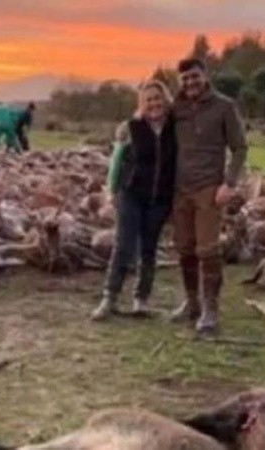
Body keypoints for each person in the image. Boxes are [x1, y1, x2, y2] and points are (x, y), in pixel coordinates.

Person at [169, 58, 248, 335]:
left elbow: (240, 148)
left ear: (205, 76)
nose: (190, 83)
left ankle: (210, 308)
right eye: (185, 79)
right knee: (185, 248)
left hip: (208, 189)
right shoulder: (175, 108)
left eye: (194, 77)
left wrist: (229, 183)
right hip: (180, 189)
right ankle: (192, 303)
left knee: (208, 250)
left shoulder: (224, 107)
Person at [91, 81, 177, 321]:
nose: (154, 104)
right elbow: (117, 162)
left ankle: (141, 300)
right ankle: (110, 297)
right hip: (131, 194)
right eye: (148, 99)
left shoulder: (175, 129)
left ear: (165, 100)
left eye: (158, 98)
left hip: (159, 199)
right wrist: (111, 191)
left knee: (149, 249)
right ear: (142, 103)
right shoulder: (130, 128)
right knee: (124, 246)